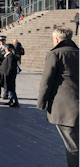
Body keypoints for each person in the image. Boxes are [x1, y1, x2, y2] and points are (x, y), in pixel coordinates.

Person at [37, 27, 80, 166]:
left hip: (67, 110)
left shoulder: (55, 54)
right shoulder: (78, 52)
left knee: (73, 147)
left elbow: (47, 81)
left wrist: (41, 103)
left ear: (56, 39)